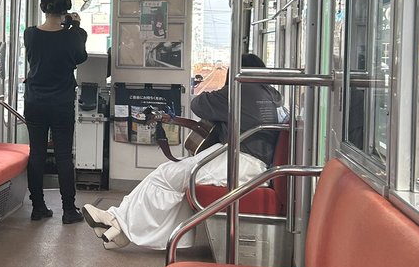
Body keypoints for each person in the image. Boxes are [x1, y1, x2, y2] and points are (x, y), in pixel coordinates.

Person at [83, 53, 283, 249]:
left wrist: (226, 88)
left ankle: (118, 222)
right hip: (249, 162)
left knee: (164, 176)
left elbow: (199, 104)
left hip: (241, 164)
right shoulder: (269, 94)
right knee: (172, 177)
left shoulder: (239, 91)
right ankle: (120, 226)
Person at [23, 0, 88, 224]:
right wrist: (76, 27)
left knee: (36, 154)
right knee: (63, 155)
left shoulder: (29, 34)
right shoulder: (72, 35)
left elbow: (38, 57)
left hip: (34, 101)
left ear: (43, 6)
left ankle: (38, 207)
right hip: (61, 102)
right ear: (66, 8)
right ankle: (69, 210)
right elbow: (79, 57)